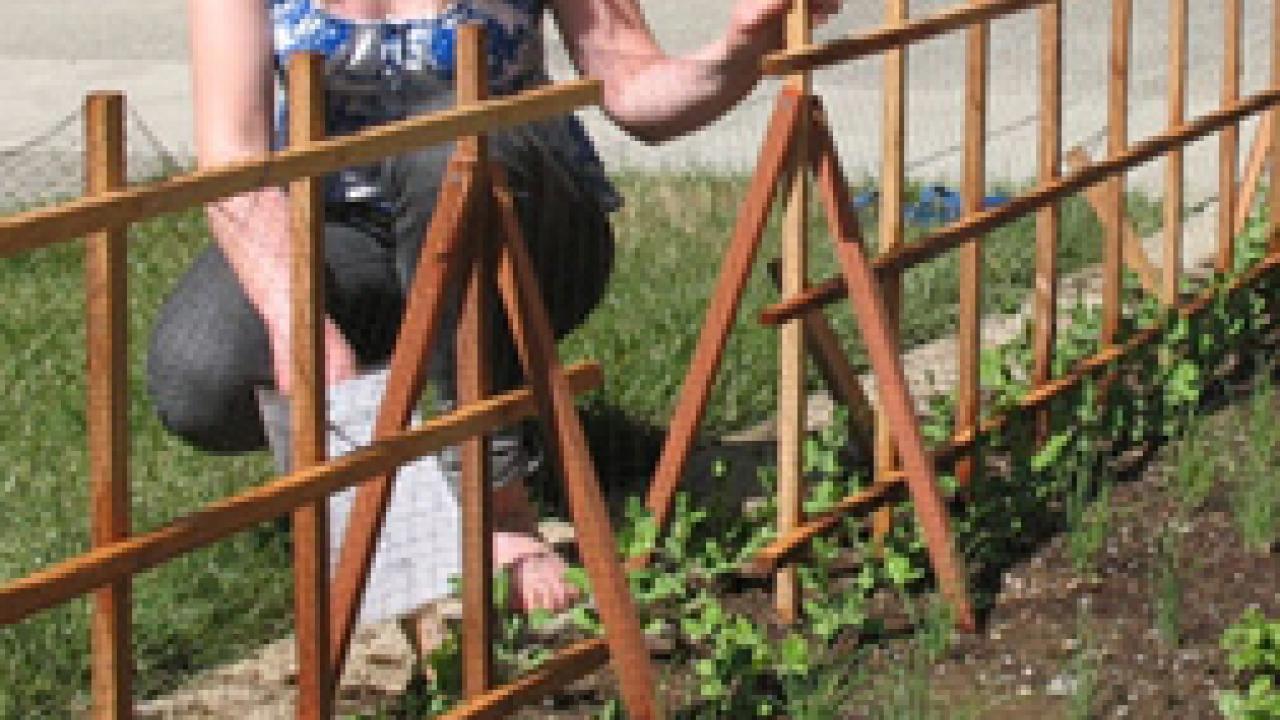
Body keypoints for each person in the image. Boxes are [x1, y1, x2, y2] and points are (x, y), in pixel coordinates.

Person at [154, 0, 840, 659]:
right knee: (203, 371)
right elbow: (236, 163)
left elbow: (634, 88)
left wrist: (738, 53)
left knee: (444, 148)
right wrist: (299, 322)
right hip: (347, 229)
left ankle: (498, 495)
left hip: (521, 220)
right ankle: (429, 417)